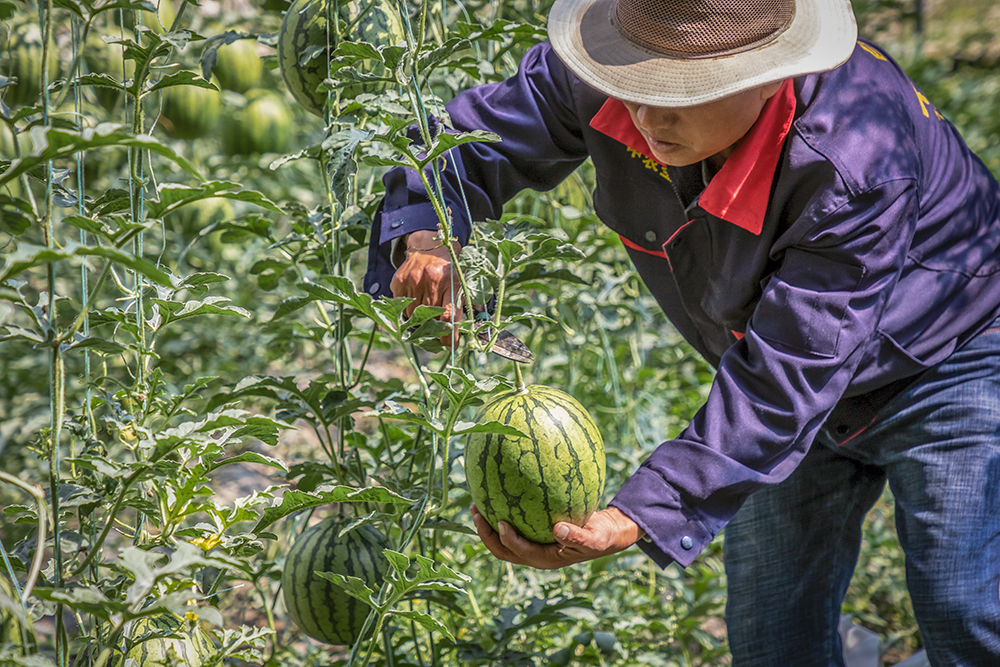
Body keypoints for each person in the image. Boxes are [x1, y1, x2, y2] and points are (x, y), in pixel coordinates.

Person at [363, 0, 1000, 664]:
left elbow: (784, 378)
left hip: (949, 354)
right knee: (771, 635)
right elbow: (459, 144)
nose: (645, 115)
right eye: (635, 83)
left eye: (680, 92)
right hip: (775, 368)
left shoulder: (857, 159)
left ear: (768, 71)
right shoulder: (601, 71)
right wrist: (428, 237)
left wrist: (636, 514)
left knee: (968, 613)